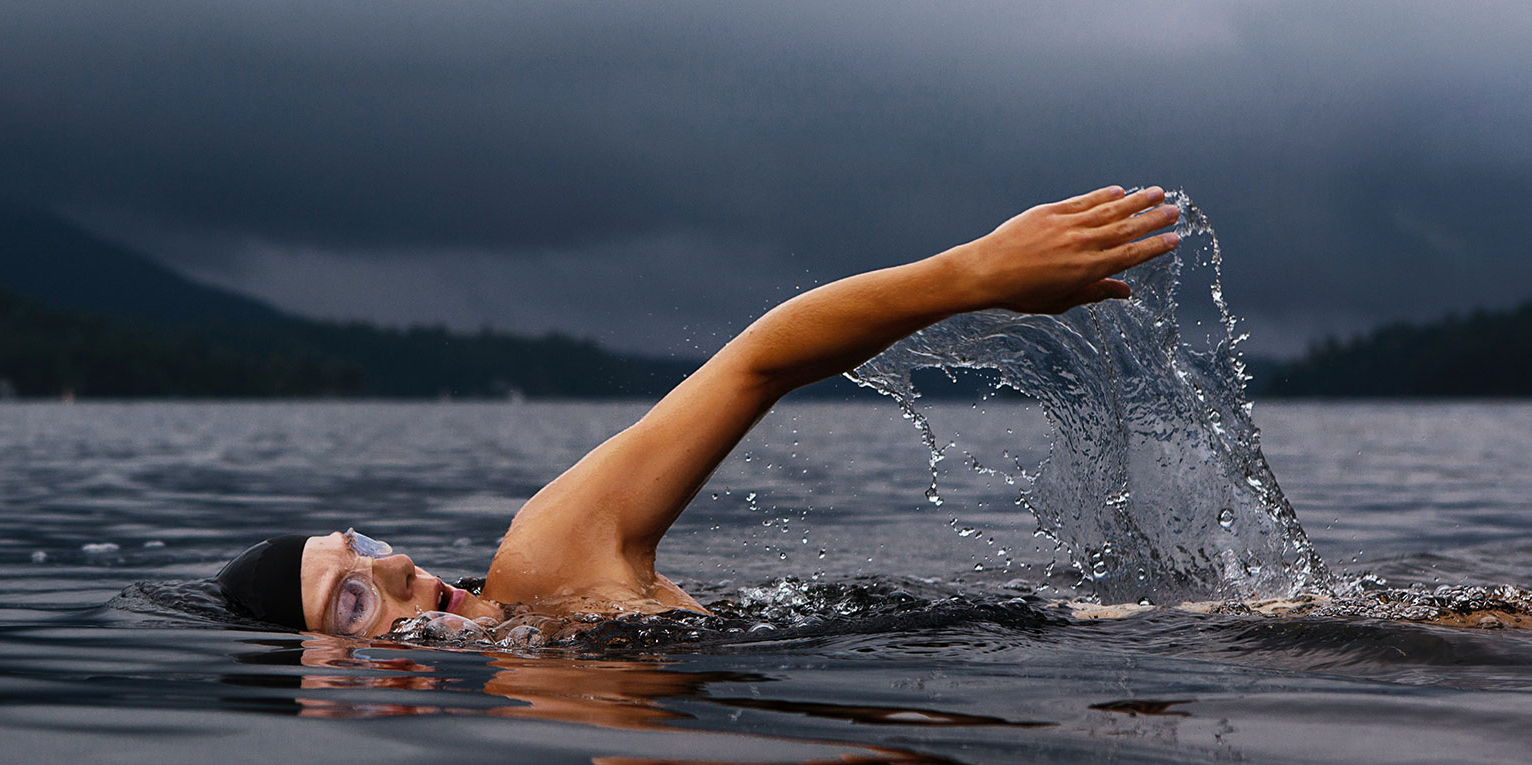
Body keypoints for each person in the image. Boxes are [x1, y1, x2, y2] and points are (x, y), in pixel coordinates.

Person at [218, 186, 1183, 636]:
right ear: (325, 689)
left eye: (363, 547)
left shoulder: (547, 565)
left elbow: (756, 364)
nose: (394, 565)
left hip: (1131, 634)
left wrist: (971, 275)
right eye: (351, 599)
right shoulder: (538, 738)